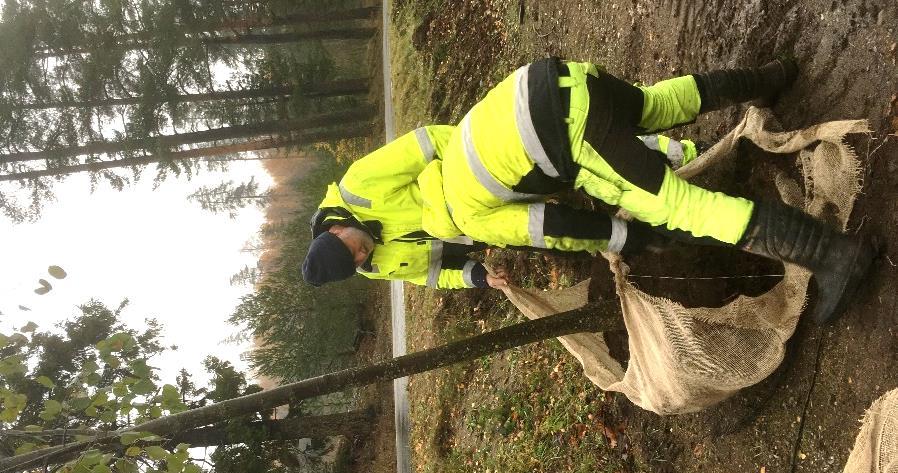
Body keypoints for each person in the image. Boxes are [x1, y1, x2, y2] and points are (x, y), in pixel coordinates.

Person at [303, 57, 876, 324]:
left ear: (334, 228)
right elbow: (427, 268)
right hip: (553, 81)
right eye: (359, 263)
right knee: (654, 106)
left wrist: (626, 238)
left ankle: (835, 256)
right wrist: (474, 273)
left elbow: (548, 227)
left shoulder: (463, 217)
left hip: (566, 136)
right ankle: (770, 75)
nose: (364, 255)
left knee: (684, 208)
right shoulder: (411, 224)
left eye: (352, 250)